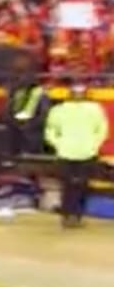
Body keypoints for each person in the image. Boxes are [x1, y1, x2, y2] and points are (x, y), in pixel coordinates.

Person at [45, 81, 109, 227]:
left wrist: (94, 144)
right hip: (70, 152)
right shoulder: (60, 110)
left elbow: (102, 129)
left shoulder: (94, 109)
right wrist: (59, 144)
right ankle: (69, 215)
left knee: (79, 185)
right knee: (71, 185)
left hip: (84, 151)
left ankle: (74, 215)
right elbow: (51, 130)